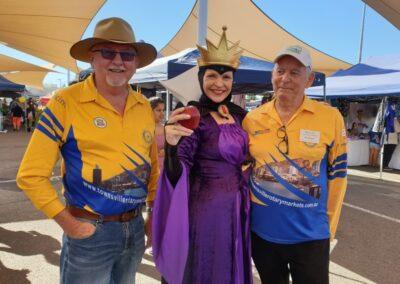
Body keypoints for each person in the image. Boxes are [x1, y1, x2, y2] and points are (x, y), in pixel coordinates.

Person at [17, 17, 159, 284]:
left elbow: (152, 166)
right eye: (108, 52)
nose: (118, 61)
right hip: (89, 231)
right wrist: (69, 224)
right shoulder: (64, 102)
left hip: (135, 229)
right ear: (92, 58)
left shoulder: (144, 106)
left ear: (135, 63)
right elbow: (30, 175)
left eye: (127, 55)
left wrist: (153, 213)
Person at [152, 27, 252, 284]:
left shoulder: (241, 116)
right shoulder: (192, 115)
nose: (219, 84)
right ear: (200, 78)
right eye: (212, 76)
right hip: (204, 209)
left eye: (226, 77)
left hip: (237, 206)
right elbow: (179, 168)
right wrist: (172, 148)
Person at [243, 45, 347, 284]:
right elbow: (243, 168)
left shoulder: (330, 118)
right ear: (272, 76)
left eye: (294, 72)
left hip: (311, 237)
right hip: (263, 235)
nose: (285, 79)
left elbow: (339, 177)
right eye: (280, 71)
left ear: (309, 79)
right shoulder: (252, 119)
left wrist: (329, 227)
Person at [149, 97, 166, 172]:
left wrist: (167, 151)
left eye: (163, 110)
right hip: (150, 170)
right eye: (158, 110)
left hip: (164, 170)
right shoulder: (143, 128)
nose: (162, 113)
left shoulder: (165, 128)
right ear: (149, 110)